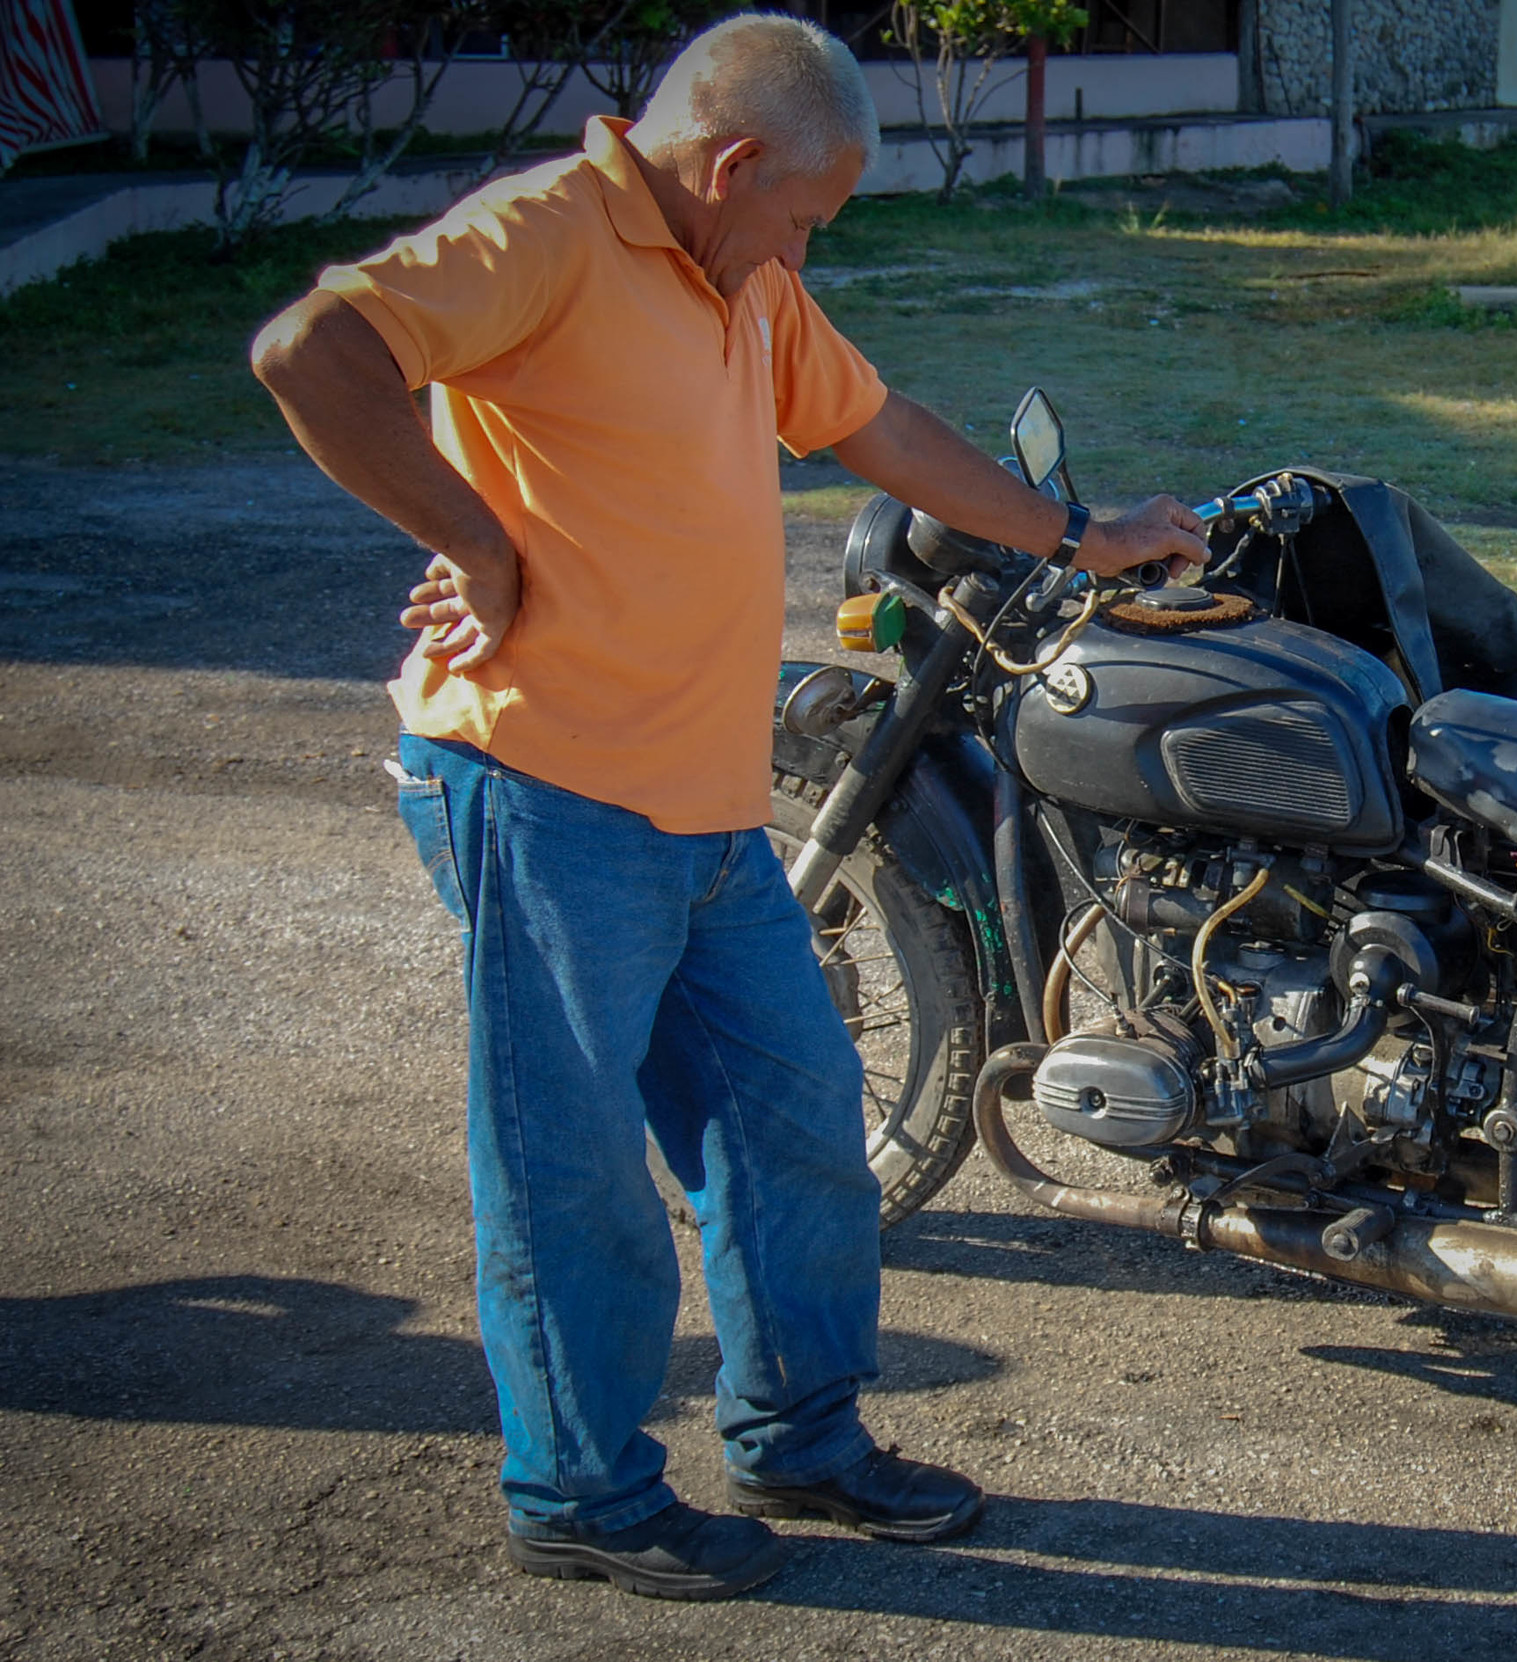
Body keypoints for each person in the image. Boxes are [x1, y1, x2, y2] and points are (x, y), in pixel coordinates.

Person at [249, 11, 1206, 1602]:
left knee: (795, 1125)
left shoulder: (741, 282)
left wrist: (1071, 532)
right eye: (805, 215)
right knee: (569, 1170)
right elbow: (313, 354)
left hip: (698, 800)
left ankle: (795, 1435)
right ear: (737, 161)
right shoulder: (543, 236)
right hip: (539, 787)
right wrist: (475, 541)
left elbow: (878, 431)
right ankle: (580, 1492)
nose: (806, 247)